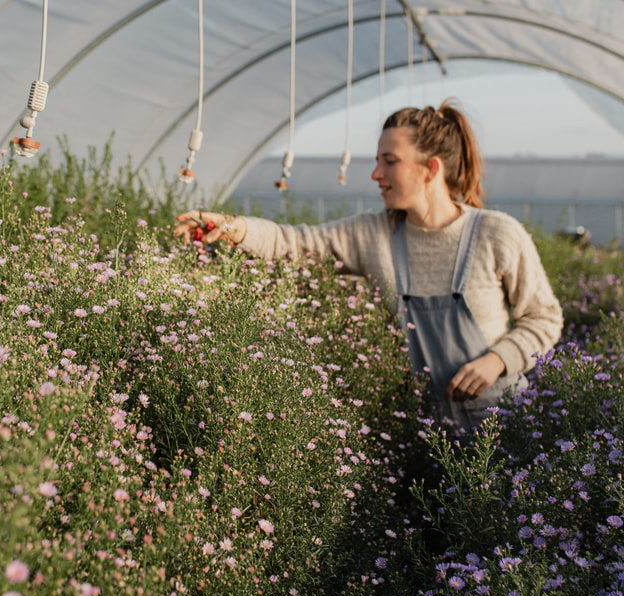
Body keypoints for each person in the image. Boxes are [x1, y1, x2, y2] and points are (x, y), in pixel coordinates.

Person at [174, 101, 563, 433]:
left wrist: (498, 360)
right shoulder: (373, 234)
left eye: (389, 162)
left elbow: (544, 318)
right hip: (422, 432)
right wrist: (231, 226)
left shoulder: (496, 233)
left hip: (502, 423)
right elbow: (294, 242)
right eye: (378, 161)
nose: (376, 175)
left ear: (430, 170)